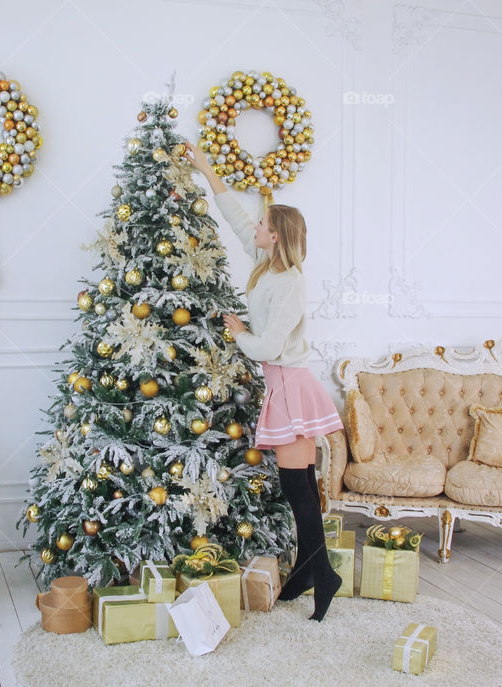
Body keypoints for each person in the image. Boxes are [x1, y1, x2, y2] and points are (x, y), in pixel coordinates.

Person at [187, 143, 344, 621]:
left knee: (299, 488)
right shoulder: (264, 263)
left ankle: (323, 575)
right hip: (280, 387)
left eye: (262, 226)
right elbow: (235, 215)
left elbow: (270, 347)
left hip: (291, 387)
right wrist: (206, 170)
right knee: (293, 485)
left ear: (275, 236)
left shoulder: (290, 280)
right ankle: (310, 571)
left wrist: (238, 333)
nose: (253, 229)